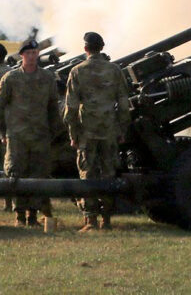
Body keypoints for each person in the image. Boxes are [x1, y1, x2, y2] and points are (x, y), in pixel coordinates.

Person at [63, 31, 130, 231]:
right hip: (109, 130)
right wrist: (122, 129)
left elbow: (71, 109)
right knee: (109, 174)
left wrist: (73, 135)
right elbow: (124, 105)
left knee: (87, 174)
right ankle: (106, 219)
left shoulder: (77, 71)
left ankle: (90, 219)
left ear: (85, 49)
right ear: (102, 48)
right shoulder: (115, 70)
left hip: (87, 132)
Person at [0, 38, 64, 227]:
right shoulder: (11, 78)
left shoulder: (47, 77)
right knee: (16, 174)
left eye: (35, 53)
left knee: (38, 175)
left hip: (40, 136)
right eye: (28, 53)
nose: (32, 57)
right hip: (17, 137)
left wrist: (53, 132)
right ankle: (19, 215)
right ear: (22, 55)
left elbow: (52, 107)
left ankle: (33, 215)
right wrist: (2, 134)